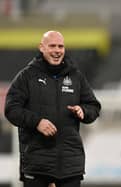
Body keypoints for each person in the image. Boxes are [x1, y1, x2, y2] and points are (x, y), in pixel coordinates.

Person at [4, 31, 101, 187]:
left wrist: (84, 111)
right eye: (52, 46)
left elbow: (94, 106)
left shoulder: (75, 76)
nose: (57, 50)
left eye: (60, 46)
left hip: (70, 166)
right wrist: (37, 122)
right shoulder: (27, 76)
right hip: (37, 166)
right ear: (41, 48)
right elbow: (11, 109)